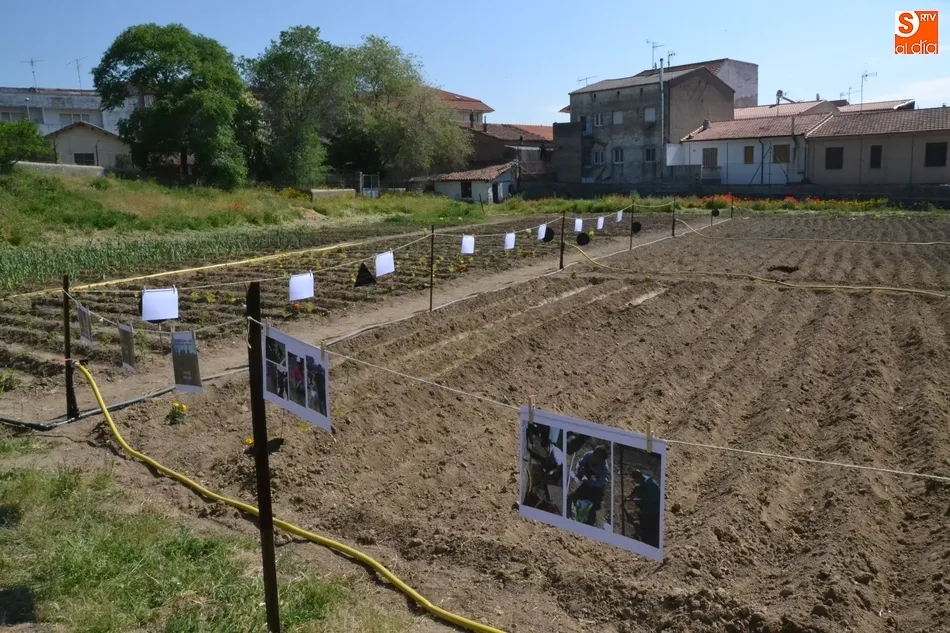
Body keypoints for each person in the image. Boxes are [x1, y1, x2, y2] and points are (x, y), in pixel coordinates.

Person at [568, 445, 609, 526]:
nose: (594, 457)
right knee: (573, 498)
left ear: (602, 460)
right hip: (586, 477)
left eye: (597, 457)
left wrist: (589, 481)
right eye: (594, 454)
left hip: (596, 486)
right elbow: (580, 463)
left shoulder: (604, 469)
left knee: (592, 506)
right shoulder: (588, 455)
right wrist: (579, 469)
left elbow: (600, 483)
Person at [629, 469, 661, 547]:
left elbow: (643, 501)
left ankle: (647, 538)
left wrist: (633, 500)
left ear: (637, 479)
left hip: (654, 510)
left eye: (635, 480)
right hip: (657, 504)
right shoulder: (647, 479)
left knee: (647, 524)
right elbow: (637, 488)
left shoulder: (647, 488)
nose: (635, 482)